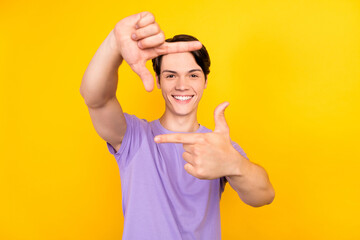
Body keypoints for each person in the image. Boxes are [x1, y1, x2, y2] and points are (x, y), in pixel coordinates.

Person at [80, 11, 275, 240]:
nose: (182, 85)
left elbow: (263, 196)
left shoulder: (217, 147)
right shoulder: (133, 137)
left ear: (205, 81)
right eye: (171, 76)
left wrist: (235, 164)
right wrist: (114, 42)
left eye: (193, 75)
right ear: (159, 80)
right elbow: (95, 98)